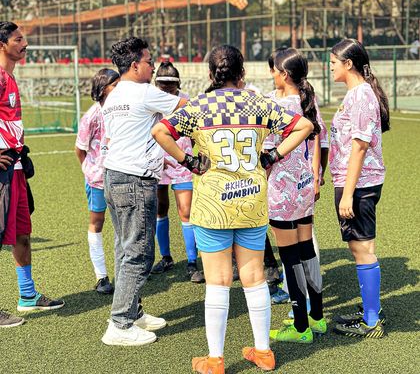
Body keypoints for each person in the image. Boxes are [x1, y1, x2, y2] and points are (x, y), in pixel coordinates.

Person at [152, 44, 314, 374]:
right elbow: (304, 127)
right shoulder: (258, 103)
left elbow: (160, 131)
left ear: (211, 74)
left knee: (218, 280)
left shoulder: (198, 106)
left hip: (213, 204)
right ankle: (264, 353)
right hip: (252, 199)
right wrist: (270, 157)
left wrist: (190, 161)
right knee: (254, 277)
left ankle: (215, 360)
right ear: (242, 74)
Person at [100, 37, 187, 347]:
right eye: (149, 62)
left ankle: (132, 312)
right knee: (138, 252)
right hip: (135, 179)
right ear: (135, 65)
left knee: (125, 247)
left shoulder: (114, 95)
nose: (153, 67)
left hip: (115, 176)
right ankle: (120, 324)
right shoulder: (144, 91)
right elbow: (186, 105)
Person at [0, 21, 64, 329]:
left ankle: (27, 295)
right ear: (3, 45)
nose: (25, 43)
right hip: (1, 172)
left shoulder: (10, 77)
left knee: (23, 232)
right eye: (18, 39)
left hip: (15, 168)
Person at [264, 48, 327, 344]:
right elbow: (318, 140)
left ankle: (300, 326)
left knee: (289, 257)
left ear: (284, 74)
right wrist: (315, 177)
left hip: (282, 189)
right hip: (303, 186)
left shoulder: (277, 106)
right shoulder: (308, 101)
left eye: (274, 70)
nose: (272, 74)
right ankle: (317, 317)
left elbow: (266, 150)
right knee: (306, 251)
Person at [329, 39, 389, 338]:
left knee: (363, 248)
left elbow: (360, 146)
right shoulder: (356, 94)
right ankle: (369, 311)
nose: (331, 67)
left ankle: (371, 320)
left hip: (360, 183)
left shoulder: (361, 95)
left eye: (334, 62)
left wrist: (349, 192)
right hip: (355, 180)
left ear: (348, 63)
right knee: (358, 247)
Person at [151, 62, 204, 283]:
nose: (167, 89)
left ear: (178, 83)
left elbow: (194, 129)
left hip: (182, 163)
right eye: (163, 85)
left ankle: (192, 261)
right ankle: (166, 257)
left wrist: (187, 151)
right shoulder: (152, 99)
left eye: (171, 85)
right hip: (158, 161)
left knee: (186, 211)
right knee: (160, 209)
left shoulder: (185, 99)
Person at [75, 68, 119, 295]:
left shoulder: (122, 111)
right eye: (115, 84)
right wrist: (89, 171)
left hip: (121, 176)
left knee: (123, 224)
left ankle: (127, 271)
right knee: (97, 223)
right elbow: (80, 149)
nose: (120, 88)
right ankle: (101, 276)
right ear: (103, 89)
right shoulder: (91, 116)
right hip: (98, 181)